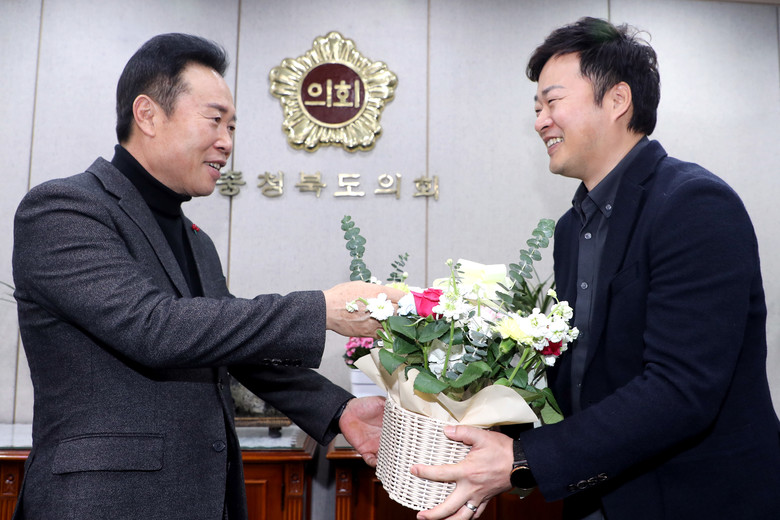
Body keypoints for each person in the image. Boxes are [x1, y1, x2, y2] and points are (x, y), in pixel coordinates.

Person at [11, 33, 403, 520]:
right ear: (147, 114)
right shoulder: (64, 209)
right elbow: (153, 328)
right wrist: (321, 308)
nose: (227, 142)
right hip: (103, 502)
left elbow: (231, 348)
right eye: (215, 120)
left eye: (233, 126)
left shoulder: (197, 239)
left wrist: (339, 410)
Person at [412, 17, 780, 520]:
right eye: (536, 108)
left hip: (695, 498)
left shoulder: (693, 205)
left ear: (617, 99)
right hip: (596, 495)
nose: (540, 121)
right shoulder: (572, 228)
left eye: (552, 102)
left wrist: (523, 460)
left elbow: (681, 389)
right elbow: (582, 379)